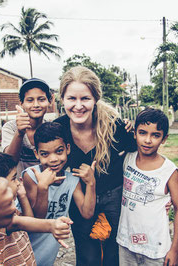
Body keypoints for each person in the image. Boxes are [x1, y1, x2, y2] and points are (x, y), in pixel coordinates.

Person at [54, 66, 137, 266]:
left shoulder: (115, 126)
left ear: (95, 99)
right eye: (71, 98)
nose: (78, 105)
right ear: (62, 99)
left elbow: (140, 155)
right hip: (80, 199)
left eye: (85, 99)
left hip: (114, 198)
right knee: (87, 257)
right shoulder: (58, 130)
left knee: (113, 256)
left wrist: (159, 195)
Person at [117, 108, 178, 266]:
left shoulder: (169, 170)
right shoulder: (127, 159)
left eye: (155, 135)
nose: (148, 140)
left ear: (164, 138)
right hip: (126, 243)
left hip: (156, 249)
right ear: (134, 133)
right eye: (142, 133)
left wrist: (174, 250)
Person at [21, 121, 96, 266]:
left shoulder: (72, 180)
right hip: (24, 252)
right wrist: (43, 187)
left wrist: (91, 183)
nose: (53, 159)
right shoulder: (31, 176)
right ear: (36, 153)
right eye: (45, 154)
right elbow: (37, 219)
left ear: (67, 148)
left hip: (47, 254)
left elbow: (87, 213)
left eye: (59, 151)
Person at [0, 152, 73, 266]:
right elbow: (16, 223)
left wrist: (22, 196)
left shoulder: (9, 208)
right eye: (14, 179)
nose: (18, 183)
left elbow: (28, 222)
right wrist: (51, 225)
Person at [2, 78, 52, 177]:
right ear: (22, 104)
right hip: (19, 187)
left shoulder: (52, 129)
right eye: (30, 100)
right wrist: (19, 133)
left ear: (49, 101)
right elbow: (9, 162)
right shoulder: (10, 128)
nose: (36, 105)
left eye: (41, 99)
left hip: (46, 187)